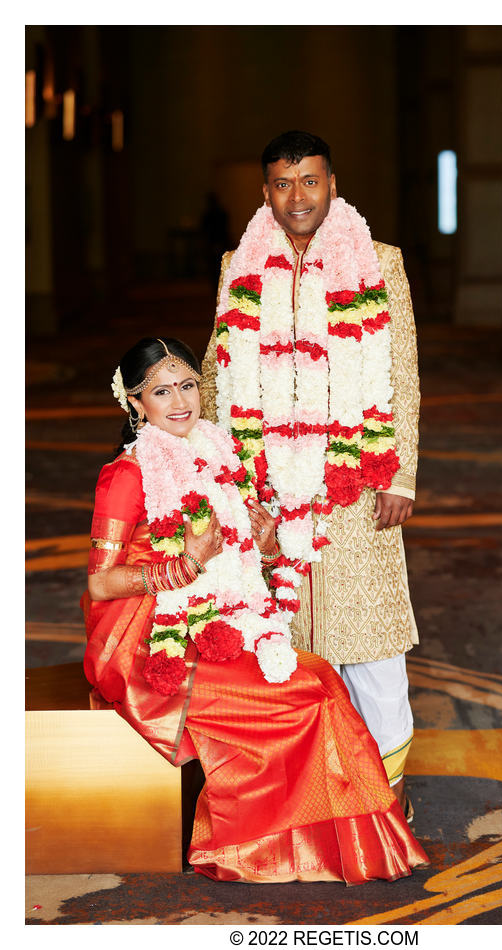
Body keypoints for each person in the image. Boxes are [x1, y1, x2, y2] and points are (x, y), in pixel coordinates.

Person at [82, 336, 427, 884]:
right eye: (161, 391)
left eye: (189, 385)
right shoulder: (127, 475)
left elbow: (238, 557)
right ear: (133, 403)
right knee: (300, 697)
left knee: (319, 680)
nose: (180, 401)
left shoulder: (216, 451)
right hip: (149, 641)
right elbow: (101, 585)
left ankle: (331, 845)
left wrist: (263, 543)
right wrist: (184, 565)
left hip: (220, 622)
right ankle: (258, 850)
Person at [201, 130, 420, 818]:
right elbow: (215, 373)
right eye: (282, 184)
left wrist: (401, 475)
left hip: (355, 482)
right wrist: (225, 480)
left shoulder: (380, 262)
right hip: (268, 491)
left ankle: (385, 797)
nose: (297, 197)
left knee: (371, 647)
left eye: (310, 181)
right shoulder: (238, 263)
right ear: (264, 192)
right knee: (278, 646)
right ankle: (306, 794)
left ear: (332, 182)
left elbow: (401, 375)